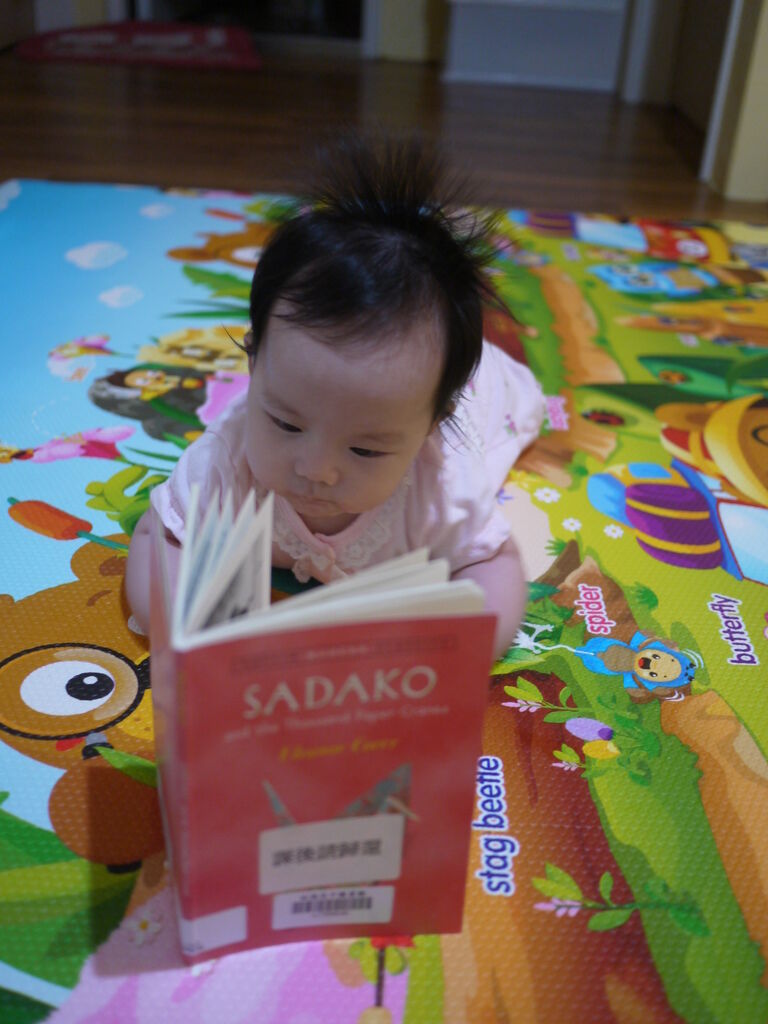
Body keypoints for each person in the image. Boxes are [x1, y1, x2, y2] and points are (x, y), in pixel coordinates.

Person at [125, 136, 544, 657]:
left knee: (496, 401)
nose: (316, 470)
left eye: (365, 449)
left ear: (432, 426)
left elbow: (494, 562)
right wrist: (192, 627)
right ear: (253, 362)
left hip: (486, 393)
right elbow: (161, 535)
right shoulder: (226, 466)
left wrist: (453, 650)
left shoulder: (442, 491)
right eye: (286, 424)